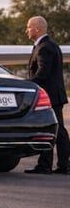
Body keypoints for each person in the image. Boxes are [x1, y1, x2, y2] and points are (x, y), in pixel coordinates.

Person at [24, 16, 70, 174]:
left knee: (52, 130)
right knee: (57, 130)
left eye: (29, 27)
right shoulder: (49, 45)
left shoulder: (45, 47)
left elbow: (43, 72)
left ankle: (49, 165)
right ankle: (60, 165)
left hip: (50, 96)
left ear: (37, 29)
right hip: (53, 95)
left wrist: (29, 85)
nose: (27, 30)